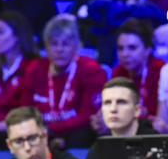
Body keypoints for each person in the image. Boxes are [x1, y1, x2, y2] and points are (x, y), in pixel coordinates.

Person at [58, 78, 159, 159]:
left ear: (137, 110)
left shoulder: (157, 144)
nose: (113, 109)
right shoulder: (97, 149)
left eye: (121, 102)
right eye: (107, 103)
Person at [21, 14, 107, 148]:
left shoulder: (91, 70)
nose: (59, 50)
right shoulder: (35, 69)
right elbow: (25, 110)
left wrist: (52, 129)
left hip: (75, 132)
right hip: (41, 131)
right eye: (54, 44)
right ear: (46, 47)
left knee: (80, 137)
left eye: (65, 44)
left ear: (76, 46)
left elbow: (88, 117)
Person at [0, 11, 39, 149]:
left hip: (19, 130)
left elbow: (27, 114)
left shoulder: (35, 67)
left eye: (0, 32)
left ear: (18, 35)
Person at [112, 18, 165, 118]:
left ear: (147, 49)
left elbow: (156, 116)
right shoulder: (118, 72)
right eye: (120, 48)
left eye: (132, 48)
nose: (124, 54)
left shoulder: (160, 71)